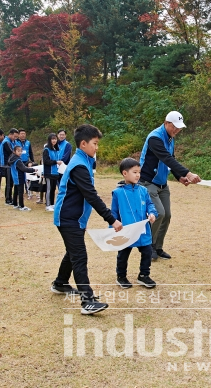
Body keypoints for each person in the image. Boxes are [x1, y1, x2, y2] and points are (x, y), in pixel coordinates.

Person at [51, 124, 122, 315]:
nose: (97, 148)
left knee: (72, 253)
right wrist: (112, 219)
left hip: (75, 218)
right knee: (79, 256)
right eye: (95, 144)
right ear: (83, 144)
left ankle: (60, 283)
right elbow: (91, 195)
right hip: (68, 218)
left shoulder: (84, 160)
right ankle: (87, 301)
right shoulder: (79, 165)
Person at [139, 111, 201, 261]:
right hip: (149, 181)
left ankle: (158, 247)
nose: (177, 130)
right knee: (159, 213)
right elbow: (165, 158)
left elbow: (171, 159)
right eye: (175, 127)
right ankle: (149, 247)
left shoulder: (170, 137)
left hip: (162, 183)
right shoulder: (155, 138)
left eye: (179, 128)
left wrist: (179, 176)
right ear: (166, 123)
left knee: (167, 215)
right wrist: (188, 173)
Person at [112, 158, 158, 289]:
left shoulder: (143, 190)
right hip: (126, 231)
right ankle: (121, 277)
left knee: (147, 252)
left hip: (143, 230)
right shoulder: (117, 193)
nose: (138, 175)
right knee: (123, 255)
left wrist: (152, 213)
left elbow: (150, 204)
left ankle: (144, 275)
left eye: (139, 172)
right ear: (125, 173)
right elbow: (113, 213)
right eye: (134, 172)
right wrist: (112, 227)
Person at [8, 145, 37, 211]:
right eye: (18, 151)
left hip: (15, 177)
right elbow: (24, 169)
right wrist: (33, 170)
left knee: (15, 191)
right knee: (21, 192)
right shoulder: (17, 160)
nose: (20, 152)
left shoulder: (12, 158)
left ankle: (15, 204)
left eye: (21, 151)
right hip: (19, 177)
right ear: (14, 151)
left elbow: (22, 166)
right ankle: (21, 206)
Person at [43, 133, 63, 211]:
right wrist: (56, 162)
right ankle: (47, 205)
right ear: (49, 140)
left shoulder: (56, 149)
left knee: (53, 189)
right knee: (48, 189)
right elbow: (46, 161)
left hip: (55, 172)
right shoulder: (46, 149)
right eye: (52, 139)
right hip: (49, 172)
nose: (54, 140)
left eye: (55, 139)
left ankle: (52, 204)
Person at [2, 129, 19, 205]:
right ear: (10, 134)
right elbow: (12, 152)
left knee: (12, 182)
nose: (15, 138)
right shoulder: (6, 142)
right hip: (7, 165)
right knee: (9, 183)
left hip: (12, 164)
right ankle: (8, 199)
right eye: (14, 136)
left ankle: (11, 198)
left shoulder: (13, 141)